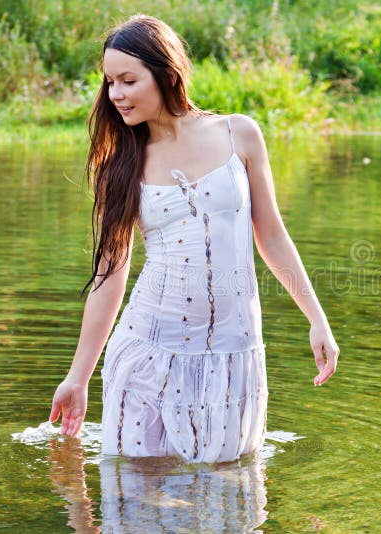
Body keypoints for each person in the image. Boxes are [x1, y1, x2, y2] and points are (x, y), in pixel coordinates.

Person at [48, 14, 339, 463]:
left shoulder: (238, 134)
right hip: (147, 349)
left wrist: (316, 318)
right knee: (137, 501)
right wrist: (78, 376)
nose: (116, 94)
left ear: (166, 73)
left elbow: (272, 235)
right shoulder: (120, 167)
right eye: (109, 82)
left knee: (226, 493)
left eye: (128, 80)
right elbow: (110, 275)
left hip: (232, 351)